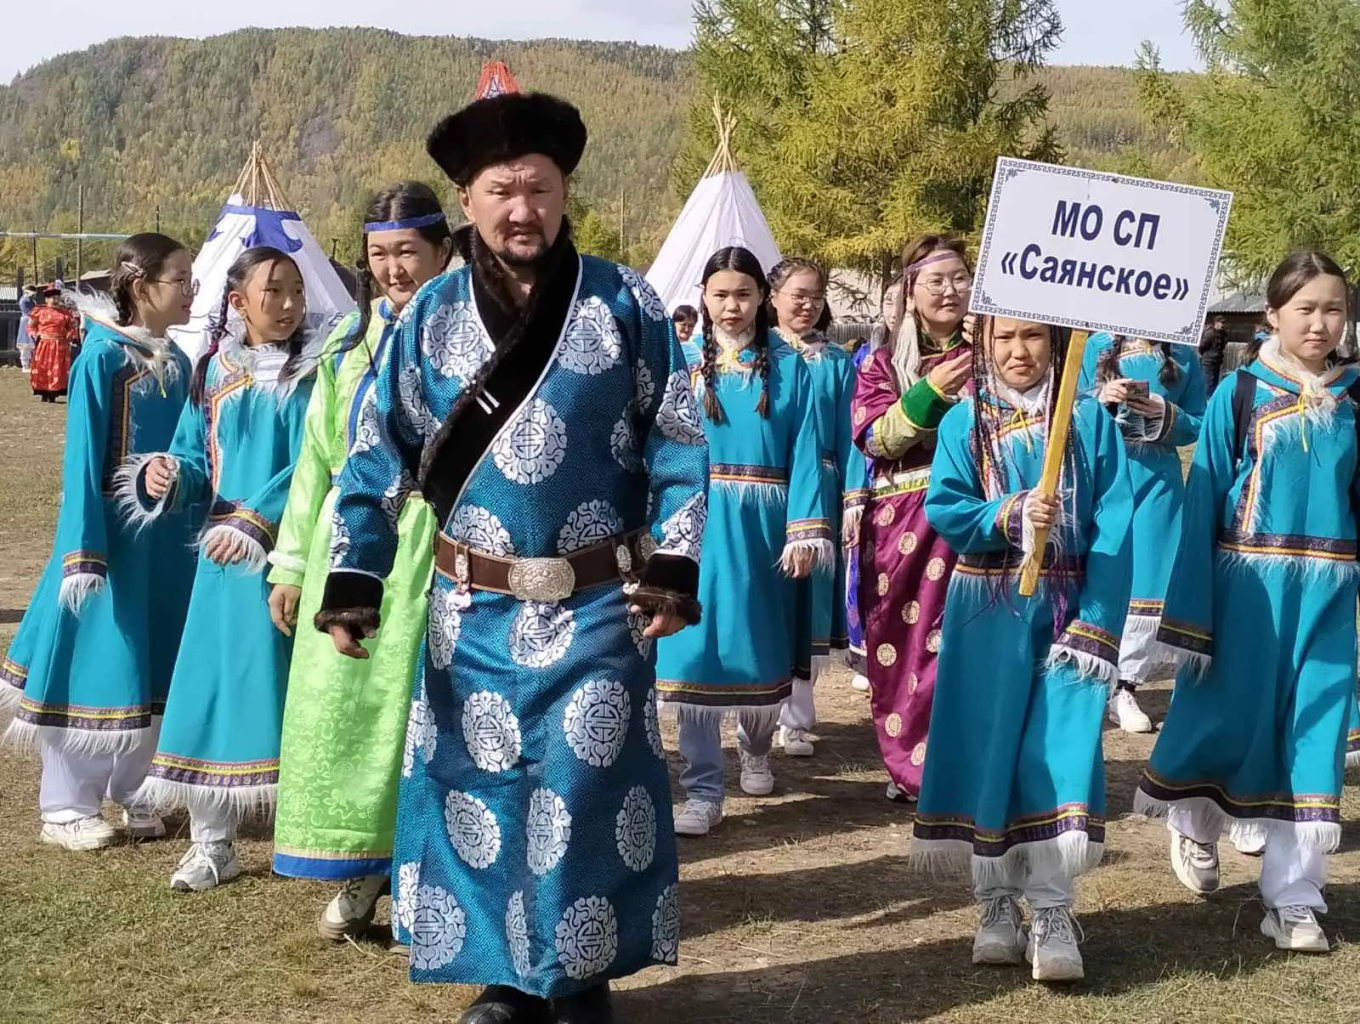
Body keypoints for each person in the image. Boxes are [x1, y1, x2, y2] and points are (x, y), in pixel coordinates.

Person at [316, 92, 708, 1024]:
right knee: (480, 794)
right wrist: (353, 576)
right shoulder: (428, 317)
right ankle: (502, 980)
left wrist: (674, 566)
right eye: (501, 191)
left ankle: (579, 979)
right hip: (473, 609)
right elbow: (379, 450)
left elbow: (681, 442)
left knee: (582, 796)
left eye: (538, 187)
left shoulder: (625, 301)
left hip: (597, 607)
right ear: (468, 198)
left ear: (566, 190)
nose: (521, 209)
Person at [1136, 250, 1360, 955]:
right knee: (1227, 721)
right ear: (1273, 315)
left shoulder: (1356, 398)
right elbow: (1204, 497)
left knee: (1313, 735)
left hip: (1328, 590)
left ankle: (1294, 898)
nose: (1321, 323)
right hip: (1247, 590)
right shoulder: (1242, 392)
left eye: (1333, 309)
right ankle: (1195, 826)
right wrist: (1191, 616)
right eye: (1306, 309)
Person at [914, 316, 1133, 983]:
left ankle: (1053, 908)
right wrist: (1006, 514)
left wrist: (1097, 623)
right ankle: (995, 902)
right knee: (991, 752)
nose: (1018, 351)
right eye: (1004, 337)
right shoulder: (964, 424)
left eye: (1034, 337)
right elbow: (945, 506)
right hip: (989, 609)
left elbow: (1115, 520)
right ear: (983, 343)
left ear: (1057, 345)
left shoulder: (1090, 423)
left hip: (1069, 612)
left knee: (1057, 754)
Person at [268, 183, 452, 940]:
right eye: (379, 254)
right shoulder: (346, 344)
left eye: (408, 251)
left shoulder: (472, 338)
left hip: (434, 545)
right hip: (352, 550)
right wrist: (290, 561)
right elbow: (316, 460)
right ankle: (361, 868)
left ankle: (425, 878)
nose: (393, 268)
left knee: (423, 718)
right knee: (345, 713)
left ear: (443, 251)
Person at [120, 246, 320, 893]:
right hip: (220, 561)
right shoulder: (213, 371)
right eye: (273, 292)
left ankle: (313, 835)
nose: (288, 305)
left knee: (291, 692)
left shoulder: (317, 375)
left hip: (289, 556)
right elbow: (194, 452)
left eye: (296, 291)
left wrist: (260, 520)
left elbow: (316, 465)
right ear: (239, 302)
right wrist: (168, 472)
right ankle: (212, 843)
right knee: (210, 691)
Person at [0, 235, 198, 851]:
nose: (192, 291)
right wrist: (83, 550)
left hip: (164, 541)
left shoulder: (183, 363)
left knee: (152, 657)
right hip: (111, 540)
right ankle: (65, 803)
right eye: (181, 280)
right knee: (95, 658)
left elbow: (193, 448)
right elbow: (84, 461)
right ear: (142, 288)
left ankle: (137, 788)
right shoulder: (103, 360)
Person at [656, 247, 827, 831]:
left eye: (744, 295)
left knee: (755, 650)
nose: (732, 306)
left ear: (762, 298)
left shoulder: (790, 366)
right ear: (703, 296)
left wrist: (805, 530)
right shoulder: (678, 365)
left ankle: (756, 746)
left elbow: (807, 449)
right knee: (693, 651)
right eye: (720, 294)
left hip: (763, 528)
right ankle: (702, 789)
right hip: (694, 522)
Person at [852, 235, 972, 802]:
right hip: (905, 525)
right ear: (911, 292)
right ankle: (912, 765)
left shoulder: (1003, 352)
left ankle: (968, 763)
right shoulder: (884, 363)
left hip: (981, 518)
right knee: (908, 642)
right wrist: (930, 390)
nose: (950, 291)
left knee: (971, 642)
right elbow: (876, 438)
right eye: (937, 281)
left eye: (961, 277)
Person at [1080, 335, 1206, 733]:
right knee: (1099, 569)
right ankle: (1087, 672)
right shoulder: (1094, 345)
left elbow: (1198, 421)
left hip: (1158, 478)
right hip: (1104, 473)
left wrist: (1166, 412)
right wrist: (1101, 397)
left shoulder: (1185, 353)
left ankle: (1124, 684)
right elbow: (1068, 409)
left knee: (1151, 578)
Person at [769, 257, 856, 756]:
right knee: (767, 599)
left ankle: (797, 717)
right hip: (768, 487)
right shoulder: (761, 357)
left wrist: (850, 496)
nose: (807, 305)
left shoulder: (838, 362)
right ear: (772, 297)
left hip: (820, 486)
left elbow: (848, 437)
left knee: (808, 601)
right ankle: (758, 703)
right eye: (797, 295)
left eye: (816, 297)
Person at [28, 285, 80, 401]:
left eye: (57, 297)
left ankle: (53, 394)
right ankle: (43, 392)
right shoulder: (39, 311)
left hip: (59, 345)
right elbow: (31, 326)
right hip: (44, 344)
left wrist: (70, 335)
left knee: (57, 369)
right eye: (52, 297)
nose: (55, 299)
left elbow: (73, 326)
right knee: (43, 367)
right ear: (46, 299)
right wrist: (33, 333)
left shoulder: (65, 313)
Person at [1198, 315, 1228, 394]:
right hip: (1208, 362)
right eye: (1221, 322)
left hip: (1217, 362)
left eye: (1224, 323)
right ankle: (1206, 401)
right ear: (1216, 322)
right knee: (1208, 383)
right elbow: (1201, 346)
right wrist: (1206, 356)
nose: (1223, 324)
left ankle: (1210, 399)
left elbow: (1223, 345)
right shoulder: (1210, 333)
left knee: (1215, 383)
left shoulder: (1223, 334)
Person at [16, 285, 37, 372]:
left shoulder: (31, 300)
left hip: (32, 321)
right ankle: (25, 365)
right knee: (25, 343)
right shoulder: (24, 300)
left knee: (32, 343)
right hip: (26, 321)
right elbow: (28, 312)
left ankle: (31, 363)